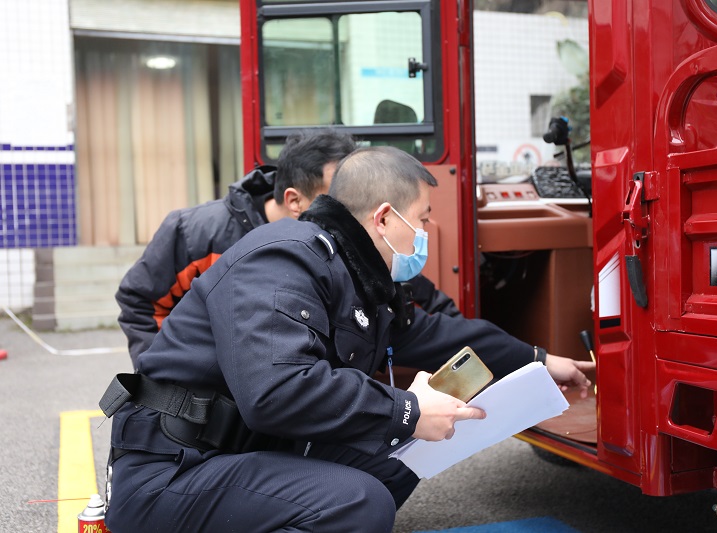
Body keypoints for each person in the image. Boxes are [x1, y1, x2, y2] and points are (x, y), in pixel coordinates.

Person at [100, 146, 594, 532]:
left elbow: (437, 333)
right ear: (384, 218)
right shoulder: (282, 257)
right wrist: (408, 410)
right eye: (421, 220)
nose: (424, 232)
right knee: (359, 502)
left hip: (233, 454)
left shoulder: (356, 276)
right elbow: (278, 391)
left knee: (396, 462)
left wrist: (537, 360)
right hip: (172, 473)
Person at [115, 129, 457, 370]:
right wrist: (166, 372)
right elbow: (139, 302)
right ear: (294, 199)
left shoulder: (349, 245)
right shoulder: (196, 234)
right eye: (338, 193)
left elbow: (416, 300)